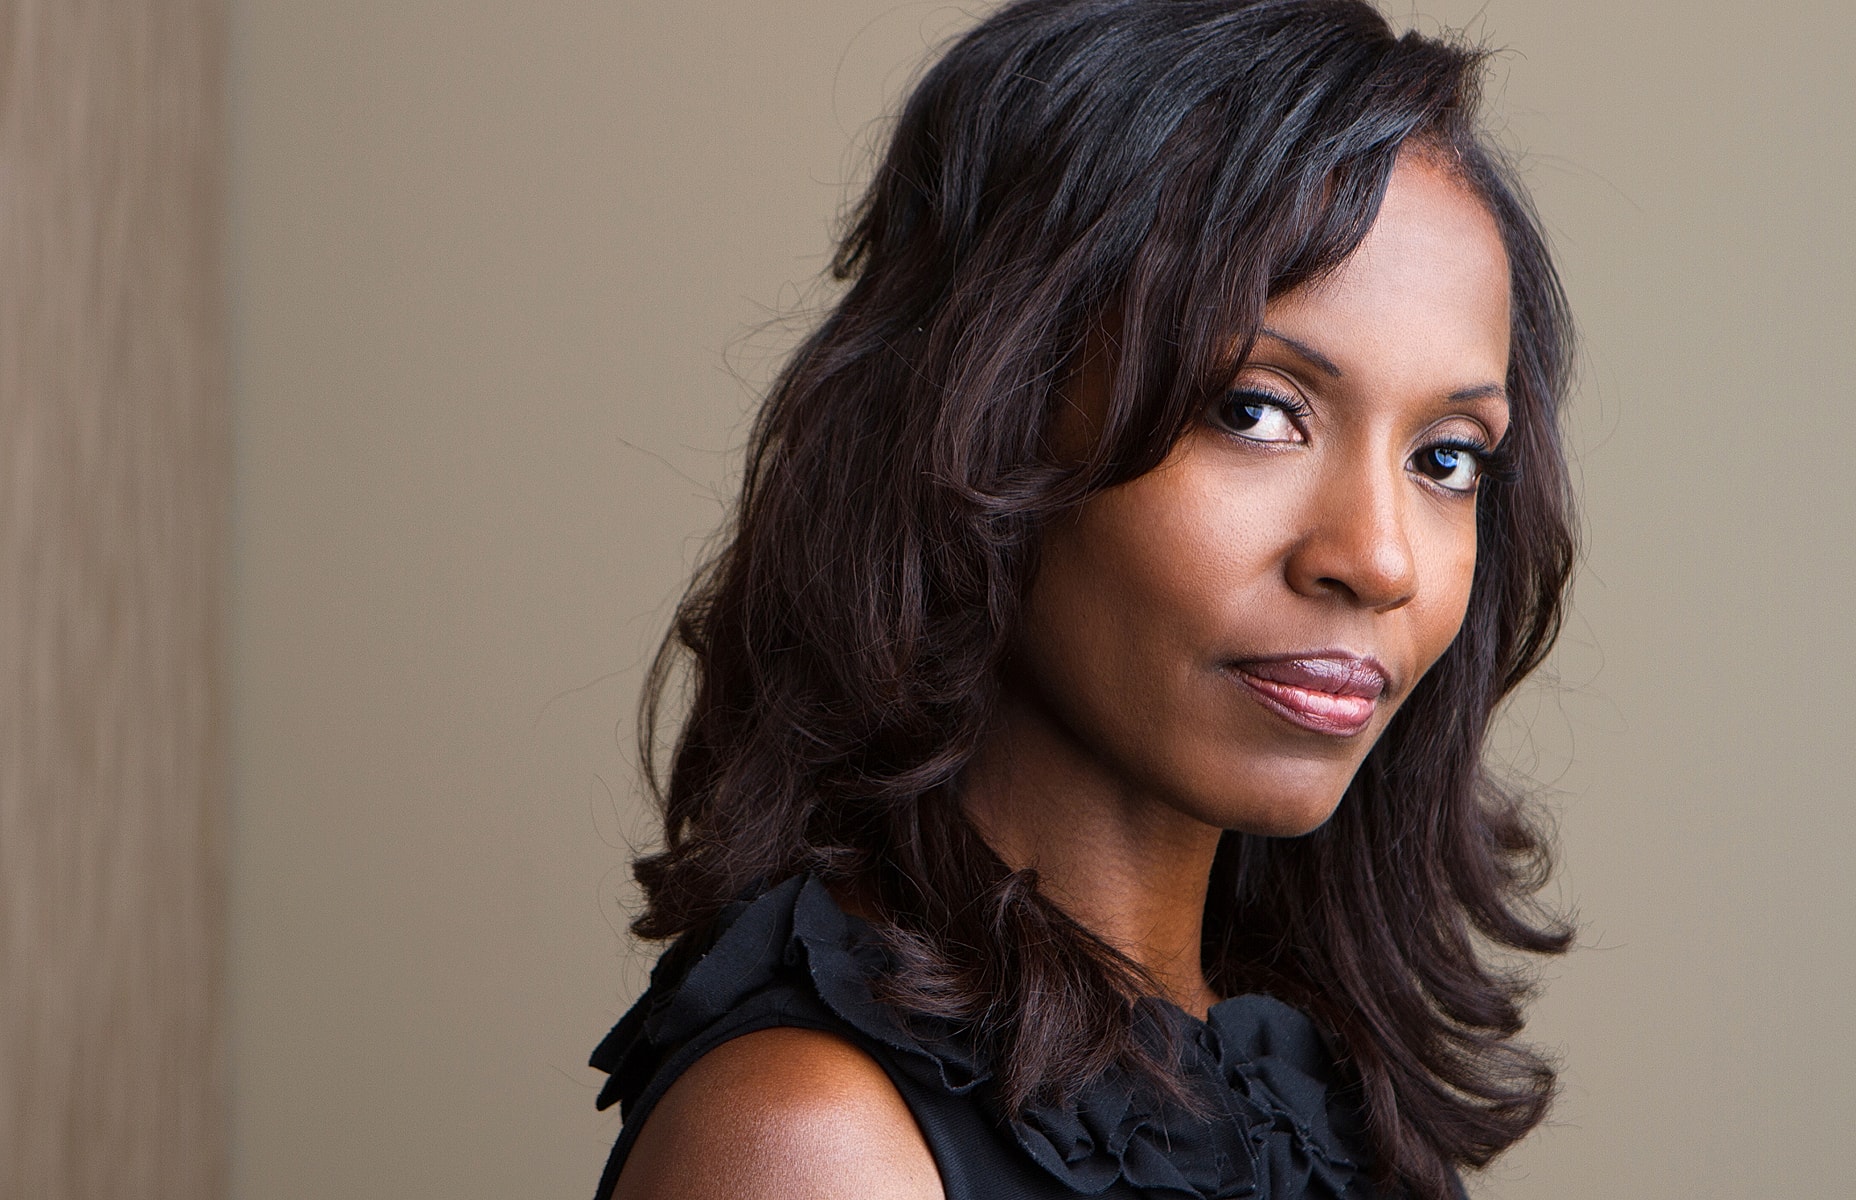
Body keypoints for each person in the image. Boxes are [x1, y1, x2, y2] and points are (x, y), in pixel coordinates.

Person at [590, 1, 1576, 1197]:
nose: (1379, 559)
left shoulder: (1318, 1098)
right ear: (989, 413)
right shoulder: (820, 1144)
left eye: (1446, 459)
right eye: (1253, 408)